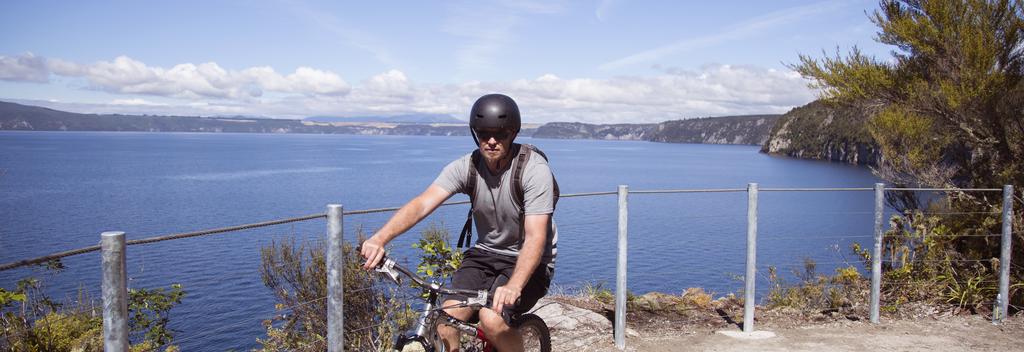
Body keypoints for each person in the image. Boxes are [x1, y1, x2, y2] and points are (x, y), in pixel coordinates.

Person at [360, 93, 558, 352]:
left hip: (529, 261)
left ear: (514, 133)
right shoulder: (468, 167)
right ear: (475, 133)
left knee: (491, 319)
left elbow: (535, 237)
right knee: (445, 320)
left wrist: (513, 286)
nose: (491, 141)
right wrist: (379, 239)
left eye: (501, 134)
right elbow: (422, 203)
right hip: (485, 254)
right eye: (483, 133)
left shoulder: (534, 170)